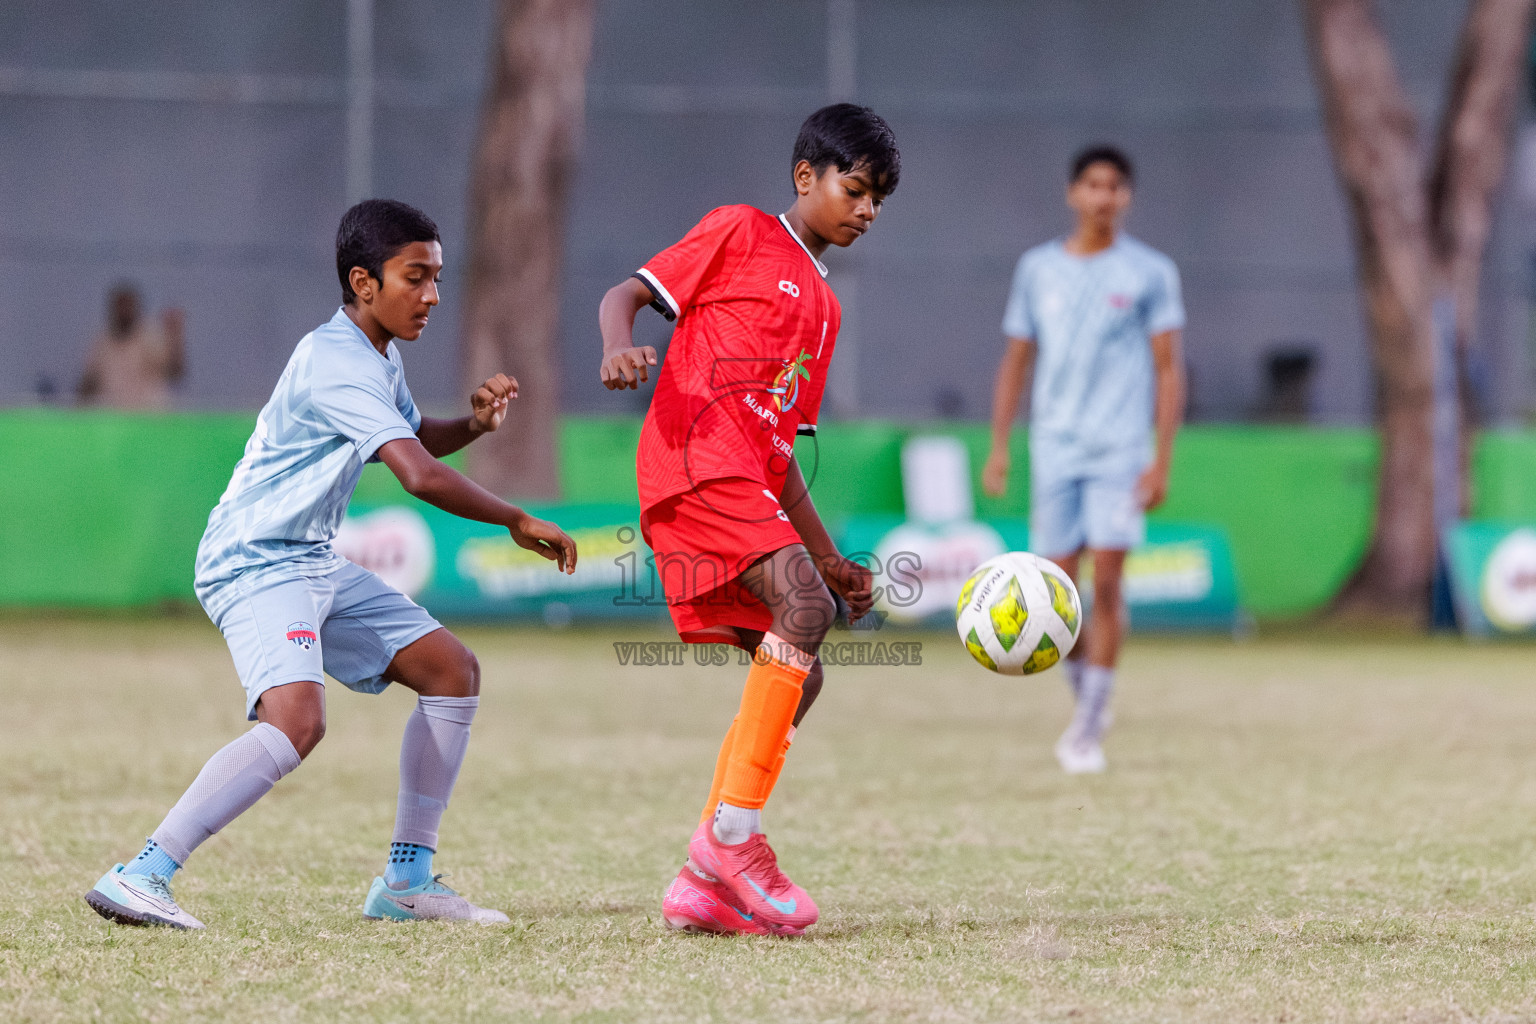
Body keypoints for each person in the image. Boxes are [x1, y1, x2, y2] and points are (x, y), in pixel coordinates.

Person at [84, 199, 577, 930]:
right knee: (295, 722)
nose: (434, 295)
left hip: (310, 557)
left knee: (451, 672)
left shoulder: (377, 353)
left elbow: (414, 438)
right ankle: (142, 874)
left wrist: (472, 423)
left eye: (438, 277)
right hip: (255, 558)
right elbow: (415, 475)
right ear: (364, 281)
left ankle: (406, 884)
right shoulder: (335, 361)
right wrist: (513, 516)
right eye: (417, 277)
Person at [596, 103, 898, 935]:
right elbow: (627, 292)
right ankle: (735, 838)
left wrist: (830, 557)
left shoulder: (827, 313)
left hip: (743, 480)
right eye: (856, 188)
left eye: (879, 199)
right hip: (692, 460)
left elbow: (780, 455)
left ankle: (703, 876)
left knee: (806, 660)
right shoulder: (738, 231)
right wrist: (618, 344)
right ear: (806, 177)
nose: (867, 209)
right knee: (803, 611)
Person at [982, 146, 1186, 775]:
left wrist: (1160, 460)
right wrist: (999, 447)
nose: (1104, 196)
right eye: (1093, 185)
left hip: (1119, 449)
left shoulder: (1150, 272)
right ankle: (1086, 699)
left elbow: (1168, 367)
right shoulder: (1038, 269)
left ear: (1128, 197)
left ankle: (1090, 725)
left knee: (1107, 581)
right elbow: (1017, 358)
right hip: (1055, 447)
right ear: (1073, 193)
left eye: (1116, 186)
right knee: (1056, 589)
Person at [77, 285, 186, 410]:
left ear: (136, 308)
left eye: (127, 307)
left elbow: (175, 373)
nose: (123, 312)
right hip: (115, 419)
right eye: (120, 307)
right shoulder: (102, 343)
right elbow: (89, 382)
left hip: (149, 417)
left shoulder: (150, 338)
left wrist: (175, 337)